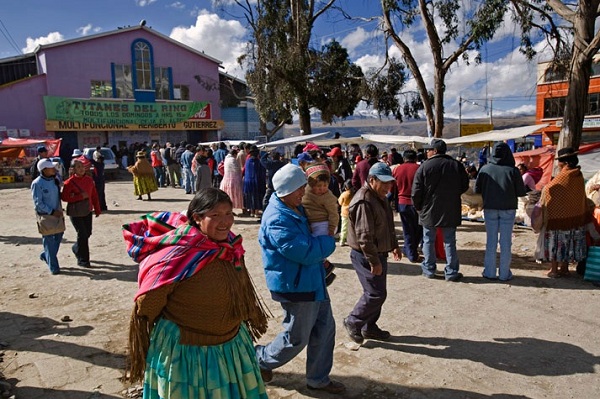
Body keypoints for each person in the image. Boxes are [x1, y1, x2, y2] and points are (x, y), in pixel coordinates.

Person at [123, 188, 269, 399]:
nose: (225, 221)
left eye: (229, 214)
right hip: (187, 352)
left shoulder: (231, 247)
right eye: (216, 215)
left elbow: (241, 285)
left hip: (231, 348)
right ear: (197, 218)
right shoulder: (178, 254)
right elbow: (148, 304)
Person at [255, 164, 345, 395]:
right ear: (287, 190)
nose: (304, 192)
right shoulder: (277, 218)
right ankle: (260, 360)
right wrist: (328, 242)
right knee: (295, 338)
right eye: (300, 189)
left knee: (324, 332)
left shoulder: (293, 207)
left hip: (312, 282)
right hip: (297, 286)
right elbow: (303, 251)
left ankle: (318, 379)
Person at [343, 162, 401, 344]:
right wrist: (374, 261)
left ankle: (369, 327)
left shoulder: (380, 197)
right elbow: (364, 236)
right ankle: (353, 321)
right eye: (383, 183)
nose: (387, 187)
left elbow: (388, 225)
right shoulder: (363, 200)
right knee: (375, 294)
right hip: (365, 255)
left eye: (389, 182)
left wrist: (394, 245)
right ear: (371, 180)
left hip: (378, 253)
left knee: (378, 292)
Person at [412, 139, 469, 281]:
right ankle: (451, 272)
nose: (426, 152)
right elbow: (464, 185)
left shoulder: (425, 167)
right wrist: (453, 195)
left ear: (435, 151)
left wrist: (418, 207)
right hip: (450, 208)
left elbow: (416, 191)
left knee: (428, 240)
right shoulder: (456, 165)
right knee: (449, 241)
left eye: (428, 149)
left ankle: (429, 269)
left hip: (429, 209)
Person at [475, 142, 527, 281]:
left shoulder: (485, 169)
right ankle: (504, 273)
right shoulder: (513, 171)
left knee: (491, 241)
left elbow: (477, 189)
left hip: (490, 208)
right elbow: (521, 191)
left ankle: (489, 272)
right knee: (505, 242)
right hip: (508, 208)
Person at [539, 147, 588, 278]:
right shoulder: (578, 174)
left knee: (557, 242)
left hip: (559, 217)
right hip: (574, 215)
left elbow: (550, 189)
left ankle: (554, 270)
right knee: (568, 241)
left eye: (559, 161)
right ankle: (564, 268)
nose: (558, 164)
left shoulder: (565, 175)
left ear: (565, 162)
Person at [61, 159, 101, 268]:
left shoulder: (89, 180)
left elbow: (94, 195)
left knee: (87, 233)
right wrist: (79, 197)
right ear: (73, 169)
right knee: (82, 234)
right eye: (78, 167)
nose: (81, 169)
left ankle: (76, 248)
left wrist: (97, 209)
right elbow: (64, 197)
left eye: (82, 166)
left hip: (87, 210)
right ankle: (83, 260)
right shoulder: (69, 182)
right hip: (75, 212)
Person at [31, 159, 64, 275]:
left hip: (58, 214)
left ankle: (46, 255)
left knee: (59, 235)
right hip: (46, 216)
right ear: (44, 170)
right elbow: (38, 203)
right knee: (49, 240)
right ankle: (54, 267)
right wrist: (51, 211)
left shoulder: (55, 180)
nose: (54, 169)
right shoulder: (37, 184)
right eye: (51, 168)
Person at [392, 149, 423, 263]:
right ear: (415, 158)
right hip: (418, 204)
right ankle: (412, 254)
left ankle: (408, 250)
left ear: (404, 158)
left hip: (402, 203)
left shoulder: (397, 169)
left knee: (407, 229)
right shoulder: (419, 169)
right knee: (418, 229)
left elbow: (392, 187)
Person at [243, 146, 267, 218]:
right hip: (256, 181)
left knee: (250, 196)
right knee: (256, 196)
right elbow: (261, 172)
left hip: (247, 181)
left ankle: (251, 211)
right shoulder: (257, 162)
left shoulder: (248, 161)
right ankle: (256, 212)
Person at [220, 147, 245, 212]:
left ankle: (229, 209)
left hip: (226, 179)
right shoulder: (233, 160)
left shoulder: (226, 159)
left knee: (228, 196)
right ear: (234, 154)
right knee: (236, 195)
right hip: (234, 180)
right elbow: (237, 170)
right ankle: (240, 208)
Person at [337, 180, 355, 246]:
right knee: (351, 227)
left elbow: (340, 202)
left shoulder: (344, 194)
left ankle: (342, 240)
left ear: (346, 187)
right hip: (352, 212)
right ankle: (350, 239)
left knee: (344, 227)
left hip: (344, 213)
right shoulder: (354, 194)